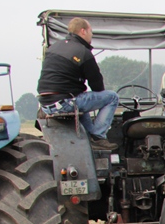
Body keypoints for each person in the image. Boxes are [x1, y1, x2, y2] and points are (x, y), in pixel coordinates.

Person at [36, 17, 120, 149]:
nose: (91, 35)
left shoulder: (53, 48)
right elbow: (98, 86)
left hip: (46, 104)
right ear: (83, 31)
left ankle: (89, 137)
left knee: (80, 99)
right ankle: (98, 136)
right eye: (91, 32)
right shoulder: (83, 52)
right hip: (66, 102)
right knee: (112, 97)